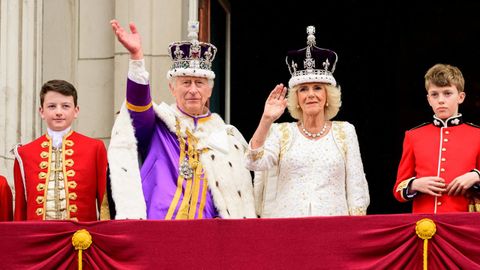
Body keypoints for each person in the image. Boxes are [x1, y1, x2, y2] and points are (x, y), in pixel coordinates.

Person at [108, 20, 255, 219]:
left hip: (207, 232)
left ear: (209, 89)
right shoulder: (157, 124)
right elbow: (138, 105)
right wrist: (136, 59)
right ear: (172, 88)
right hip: (159, 226)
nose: (193, 90)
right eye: (186, 82)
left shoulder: (227, 135)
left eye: (199, 83)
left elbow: (235, 196)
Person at [246, 26, 370, 218]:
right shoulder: (281, 132)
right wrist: (266, 120)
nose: (311, 94)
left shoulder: (345, 132)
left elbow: (356, 187)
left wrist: (355, 229)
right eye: (303, 89)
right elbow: (254, 162)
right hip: (288, 228)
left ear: (327, 95)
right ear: (297, 98)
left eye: (317, 88)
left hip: (334, 228)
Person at [11, 80, 110, 221]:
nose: (58, 112)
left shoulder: (95, 148)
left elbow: (104, 204)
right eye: (52, 106)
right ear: (42, 111)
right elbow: (20, 211)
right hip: (38, 239)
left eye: (65, 106)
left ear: (76, 111)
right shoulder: (24, 154)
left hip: (82, 238)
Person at [393, 63, 480, 213]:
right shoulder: (413, 136)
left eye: (447, 93)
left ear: (461, 97)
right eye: (435, 94)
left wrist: (476, 176)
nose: (441, 100)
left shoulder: (477, 135)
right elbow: (398, 190)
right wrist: (415, 184)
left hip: (464, 224)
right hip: (423, 224)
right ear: (428, 99)